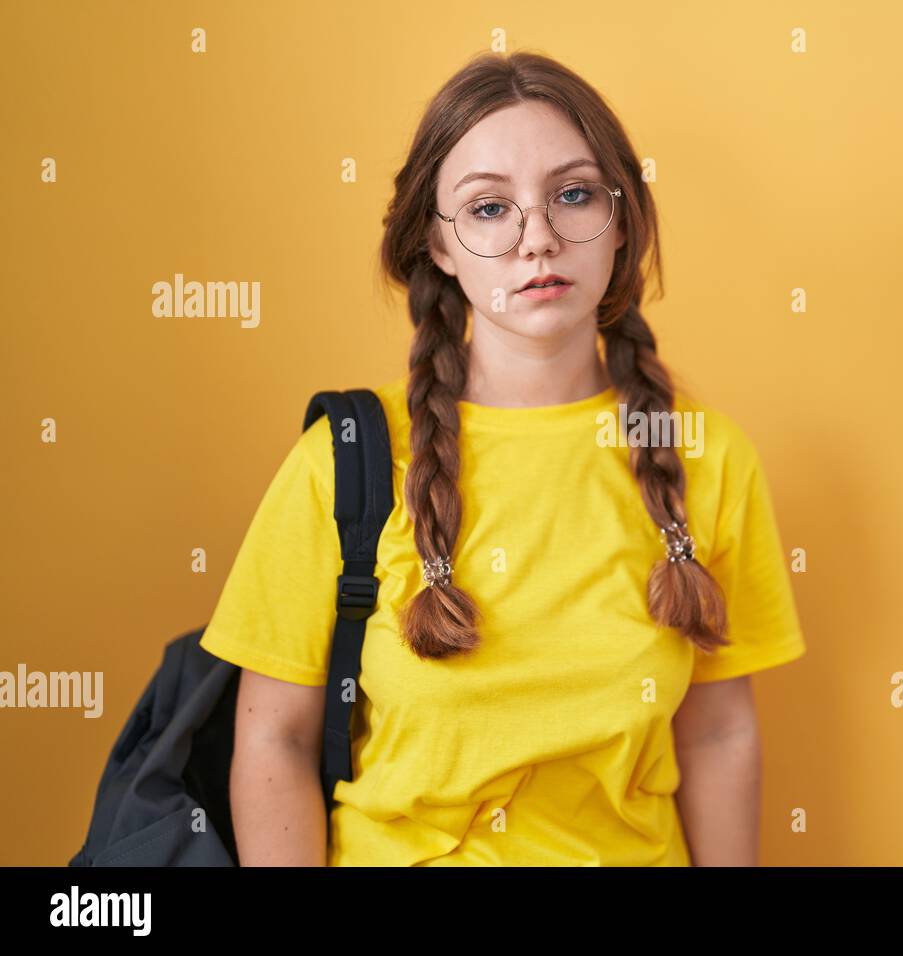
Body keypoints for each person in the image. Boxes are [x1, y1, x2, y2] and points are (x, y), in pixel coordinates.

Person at [199, 49, 806, 866]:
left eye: (575, 194)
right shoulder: (343, 462)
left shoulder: (705, 457)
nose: (539, 239)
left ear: (621, 222)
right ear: (439, 246)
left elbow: (719, 735)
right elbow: (274, 738)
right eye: (489, 208)